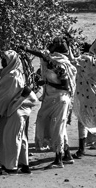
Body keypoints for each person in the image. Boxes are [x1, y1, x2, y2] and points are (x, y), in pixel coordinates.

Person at [0, 50, 38, 174]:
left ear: (11, 61)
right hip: (18, 109)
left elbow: (6, 96)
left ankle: (11, 167)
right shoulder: (14, 74)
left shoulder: (11, 77)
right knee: (20, 137)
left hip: (15, 110)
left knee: (12, 139)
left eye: (5, 59)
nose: (2, 61)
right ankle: (24, 165)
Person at [30, 39, 78, 169]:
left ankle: (58, 159)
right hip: (53, 98)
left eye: (52, 45)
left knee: (57, 127)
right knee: (59, 126)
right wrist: (26, 49)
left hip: (59, 99)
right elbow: (42, 54)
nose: (49, 47)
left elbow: (65, 85)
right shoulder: (53, 61)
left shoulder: (60, 64)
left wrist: (47, 83)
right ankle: (67, 154)